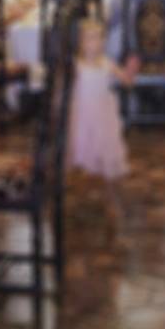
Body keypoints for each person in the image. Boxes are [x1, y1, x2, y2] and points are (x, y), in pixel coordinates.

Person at [66, 18, 135, 220]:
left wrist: (130, 72)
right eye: (90, 39)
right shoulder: (76, 65)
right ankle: (74, 195)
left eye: (99, 38)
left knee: (105, 157)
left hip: (103, 117)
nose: (95, 43)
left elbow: (126, 81)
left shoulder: (106, 63)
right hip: (82, 117)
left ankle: (110, 198)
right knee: (80, 154)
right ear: (80, 43)